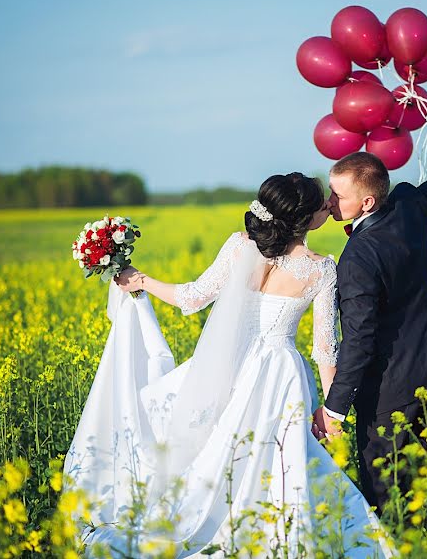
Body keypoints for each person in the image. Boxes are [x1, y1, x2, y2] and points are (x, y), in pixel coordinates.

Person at [64, 172, 393, 557]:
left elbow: (193, 296)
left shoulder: (240, 246)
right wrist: (333, 412)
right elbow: (325, 349)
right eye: (322, 203)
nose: (328, 206)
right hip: (280, 375)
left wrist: (143, 281)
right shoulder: (321, 268)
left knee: (219, 449)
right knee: (281, 458)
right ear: (305, 220)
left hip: (231, 364)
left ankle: (217, 518)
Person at [311, 107, 427, 512]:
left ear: (366, 201)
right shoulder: (406, 207)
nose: (331, 202)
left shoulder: (356, 259)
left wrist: (334, 406)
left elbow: (360, 339)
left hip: (390, 394)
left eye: (339, 196)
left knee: (389, 495)